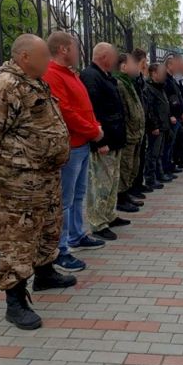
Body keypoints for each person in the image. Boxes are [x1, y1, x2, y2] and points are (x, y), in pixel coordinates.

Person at [0, 34, 75, 330]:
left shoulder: (36, 83)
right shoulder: (5, 86)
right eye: (43, 56)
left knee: (48, 226)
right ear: (25, 57)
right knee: (18, 237)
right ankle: (15, 301)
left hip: (45, 177)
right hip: (18, 183)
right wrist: (3, 163)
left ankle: (45, 273)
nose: (48, 60)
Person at [42, 32, 106, 273]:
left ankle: (77, 235)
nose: (79, 52)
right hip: (70, 146)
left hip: (82, 143)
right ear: (63, 49)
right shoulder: (52, 74)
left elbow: (84, 107)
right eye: (75, 48)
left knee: (78, 195)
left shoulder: (70, 74)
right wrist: (93, 130)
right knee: (65, 200)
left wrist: (94, 127)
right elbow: (66, 112)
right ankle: (61, 250)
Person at [80, 43, 129, 241]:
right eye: (113, 56)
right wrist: (99, 141)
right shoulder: (91, 76)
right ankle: (98, 223)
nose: (116, 60)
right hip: (103, 141)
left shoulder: (105, 76)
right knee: (100, 184)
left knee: (111, 182)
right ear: (104, 56)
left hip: (114, 139)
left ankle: (109, 215)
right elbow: (93, 111)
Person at [116, 52, 146, 212]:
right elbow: (123, 112)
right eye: (133, 64)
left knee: (133, 167)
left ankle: (127, 194)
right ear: (123, 66)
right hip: (129, 134)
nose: (136, 67)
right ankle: (121, 199)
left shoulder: (129, 82)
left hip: (136, 133)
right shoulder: (120, 84)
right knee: (125, 167)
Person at [144, 62, 173, 188]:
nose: (164, 75)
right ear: (154, 73)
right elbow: (150, 109)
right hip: (156, 126)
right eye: (161, 72)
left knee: (159, 152)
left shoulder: (160, 86)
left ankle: (159, 174)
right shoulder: (149, 88)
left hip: (163, 124)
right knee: (153, 153)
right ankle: (150, 178)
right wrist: (154, 126)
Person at [130, 48, 152, 196]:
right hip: (134, 126)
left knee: (141, 155)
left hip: (142, 122)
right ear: (142, 61)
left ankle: (139, 183)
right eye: (146, 61)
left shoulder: (140, 78)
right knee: (134, 158)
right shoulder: (133, 78)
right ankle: (133, 187)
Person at [162, 55, 183, 177]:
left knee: (172, 144)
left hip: (176, 116)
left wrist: (182, 112)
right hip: (171, 118)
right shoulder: (166, 80)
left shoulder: (171, 79)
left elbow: (178, 96)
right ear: (169, 65)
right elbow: (166, 100)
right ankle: (166, 168)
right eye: (175, 65)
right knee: (168, 146)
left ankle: (170, 166)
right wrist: (171, 115)